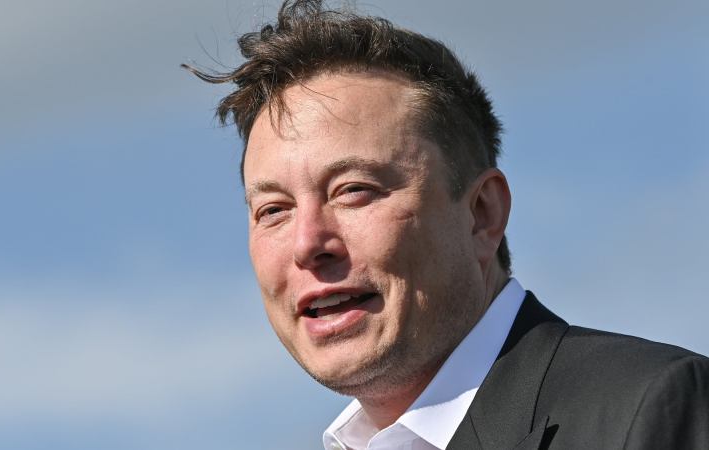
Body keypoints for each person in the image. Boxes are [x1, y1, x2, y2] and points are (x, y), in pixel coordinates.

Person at [184, 1, 709, 448]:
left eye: (353, 190)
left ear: (483, 214)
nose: (307, 243)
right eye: (273, 210)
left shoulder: (647, 408)